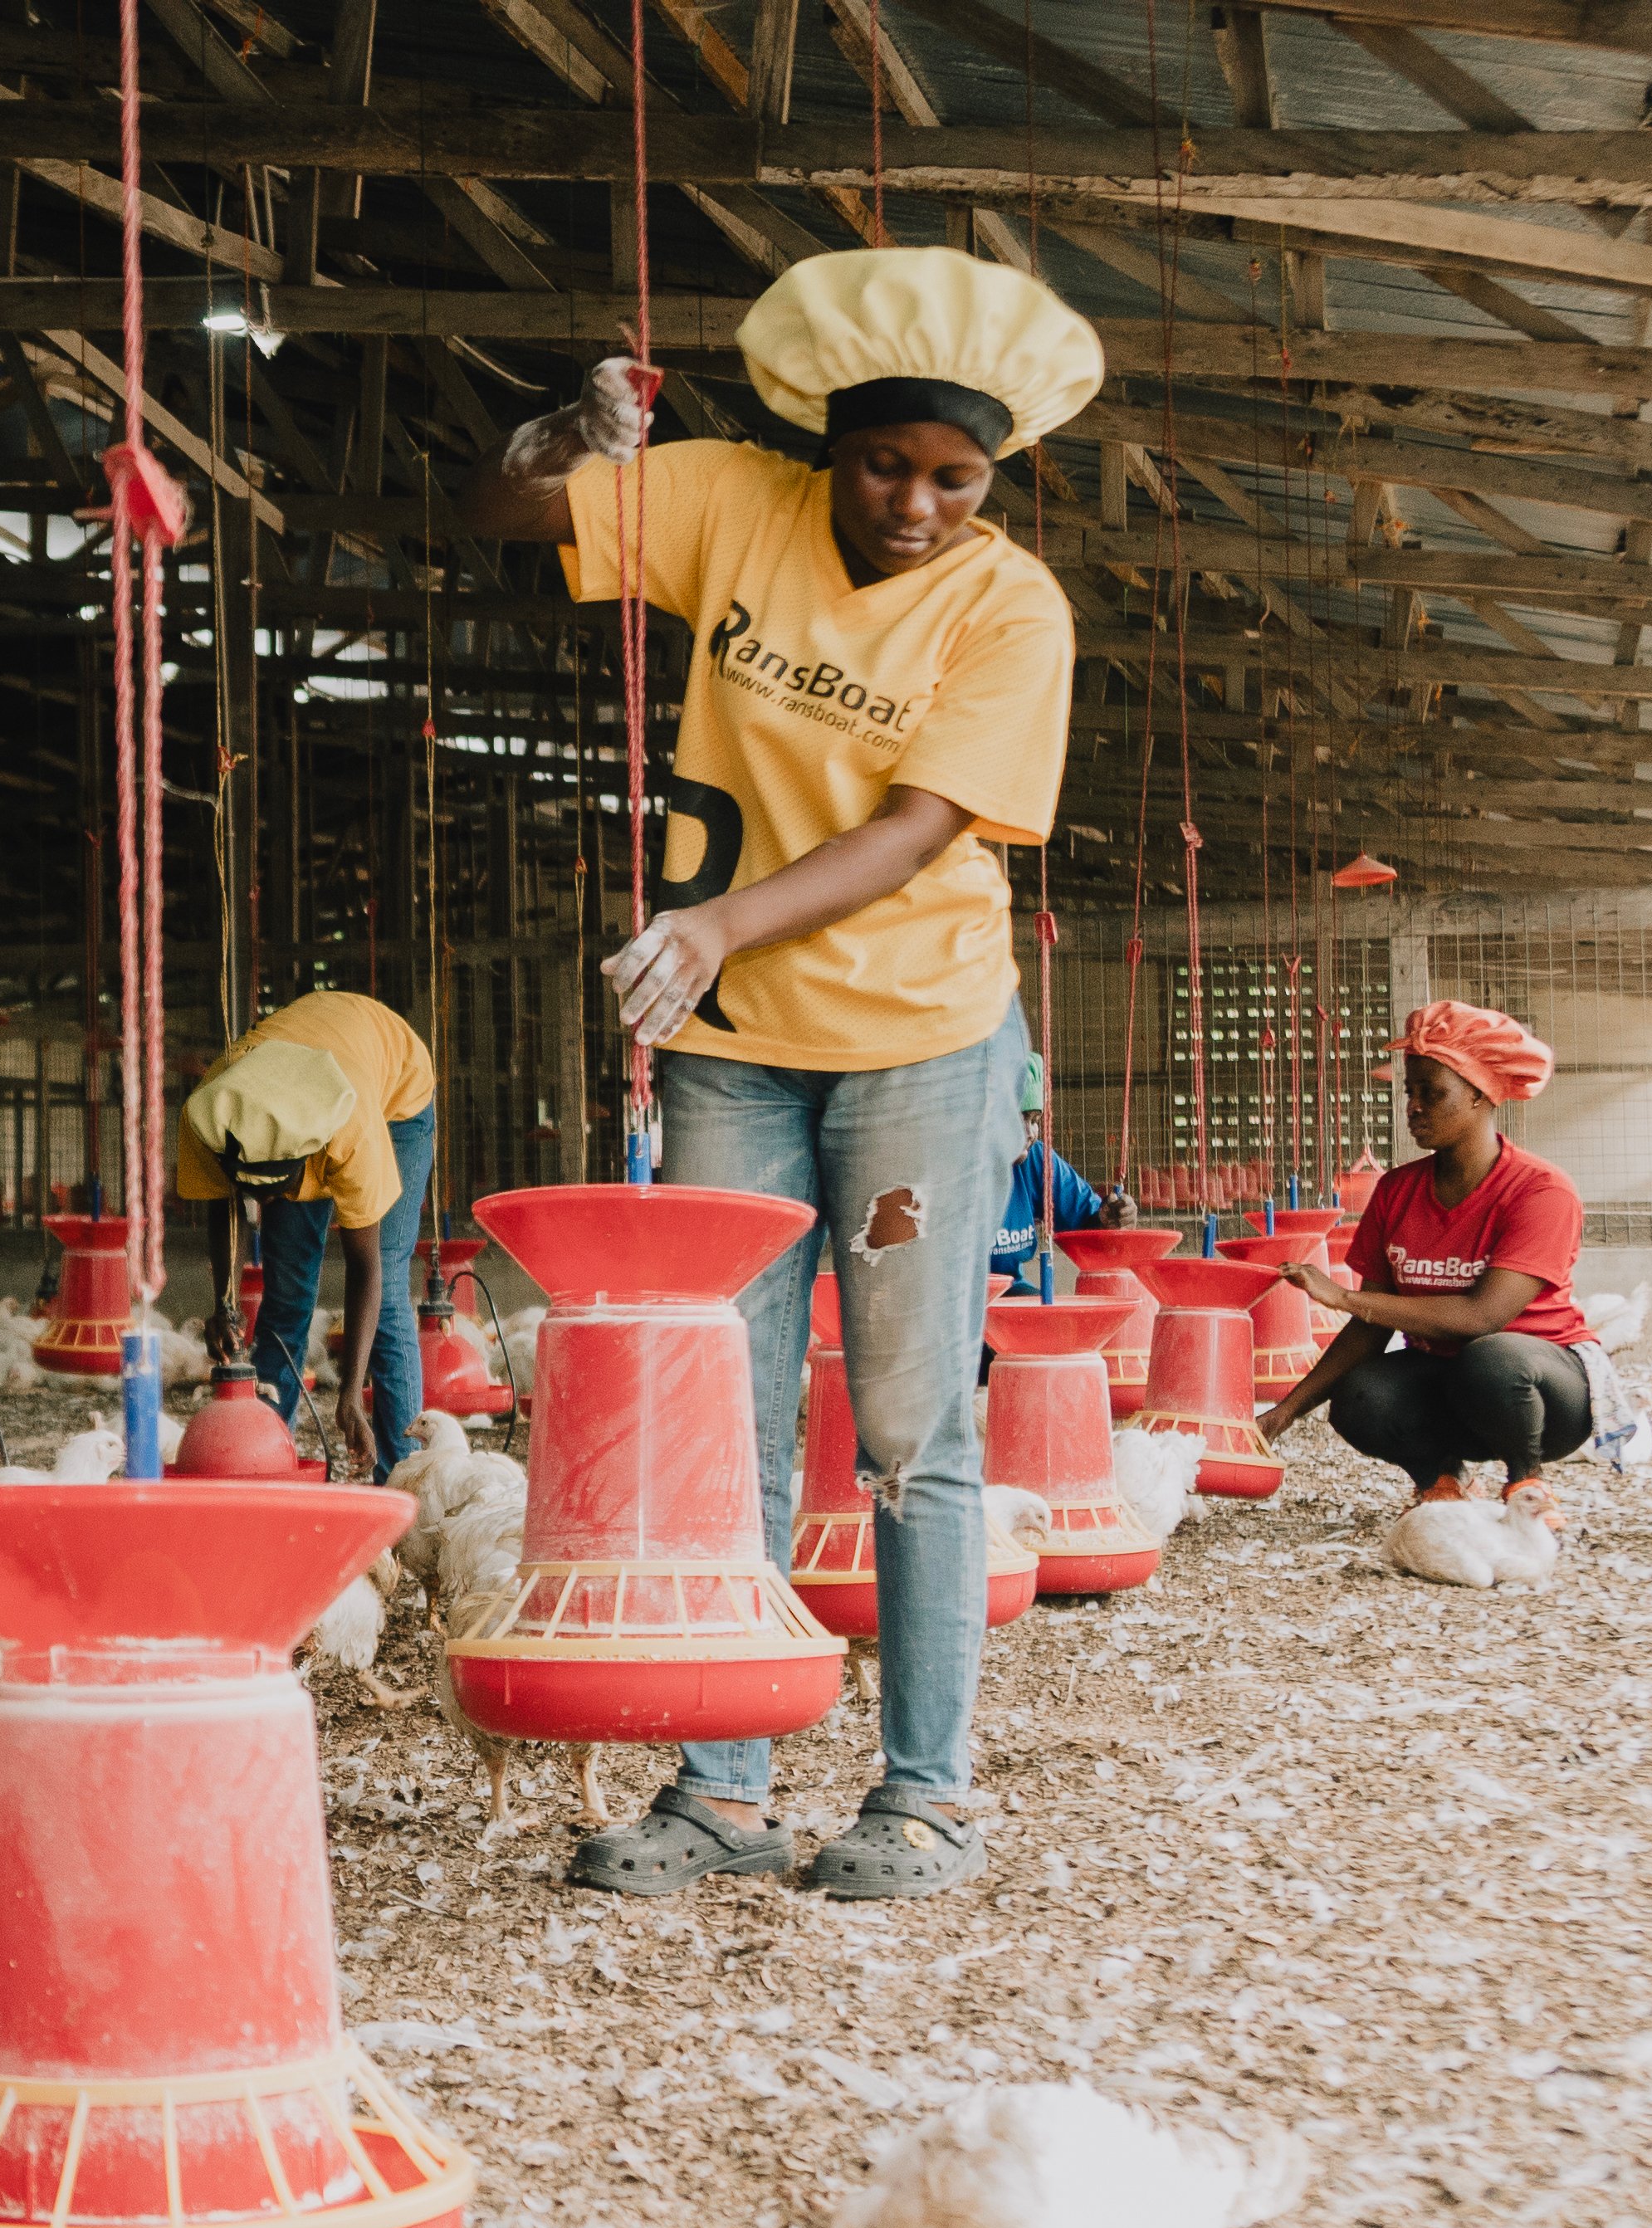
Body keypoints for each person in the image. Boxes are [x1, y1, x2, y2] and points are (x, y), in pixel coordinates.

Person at [458, 246, 1101, 1903]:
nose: (917, 503)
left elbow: (918, 827)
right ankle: (722, 1788)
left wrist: (718, 922)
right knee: (717, 1422)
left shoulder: (1009, 604)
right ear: (834, 443)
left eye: (957, 478)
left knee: (908, 1428)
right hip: (735, 1051)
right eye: (888, 464)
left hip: (913, 1039)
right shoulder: (735, 499)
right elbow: (510, 515)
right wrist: (569, 438)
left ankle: (928, 1793)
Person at [1259, 1001, 1601, 1534]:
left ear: (1480, 1093)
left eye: (1431, 1092)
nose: (1413, 1107)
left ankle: (1526, 1482)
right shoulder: (1397, 1190)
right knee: (1359, 1395)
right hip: (1455, 1387)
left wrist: (1343, 1297)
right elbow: (1371, 1329)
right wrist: (1284, 1414)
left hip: (1543, 1393)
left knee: (1492, 1357)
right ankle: (1442, 1479)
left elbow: (1481, 1316)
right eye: (1409, 1092)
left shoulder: (1540, 1190)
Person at [174, 990, 437, 1477]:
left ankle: (404, 1479)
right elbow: (223, 1211)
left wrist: (350, 1394)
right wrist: (225, 1304)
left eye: (278, 1191)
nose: (267, 1207)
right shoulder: (211, 1115)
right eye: (255, 1194)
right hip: (292, 1083)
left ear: (309, 1160)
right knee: (288, 1288)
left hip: (395, 1092)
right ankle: (267, 1459)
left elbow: (367, 1268)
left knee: (393, 1291)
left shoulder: (353, 1134)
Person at [992, 1053, 1136, 1292]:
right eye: (1020, 1118)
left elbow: (1086, 1220)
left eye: (1035, 1119)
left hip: (1007, 1290)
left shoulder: (1036, 1160)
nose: (1030, 1133)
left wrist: (1109, 1219)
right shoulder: (950, 1168)